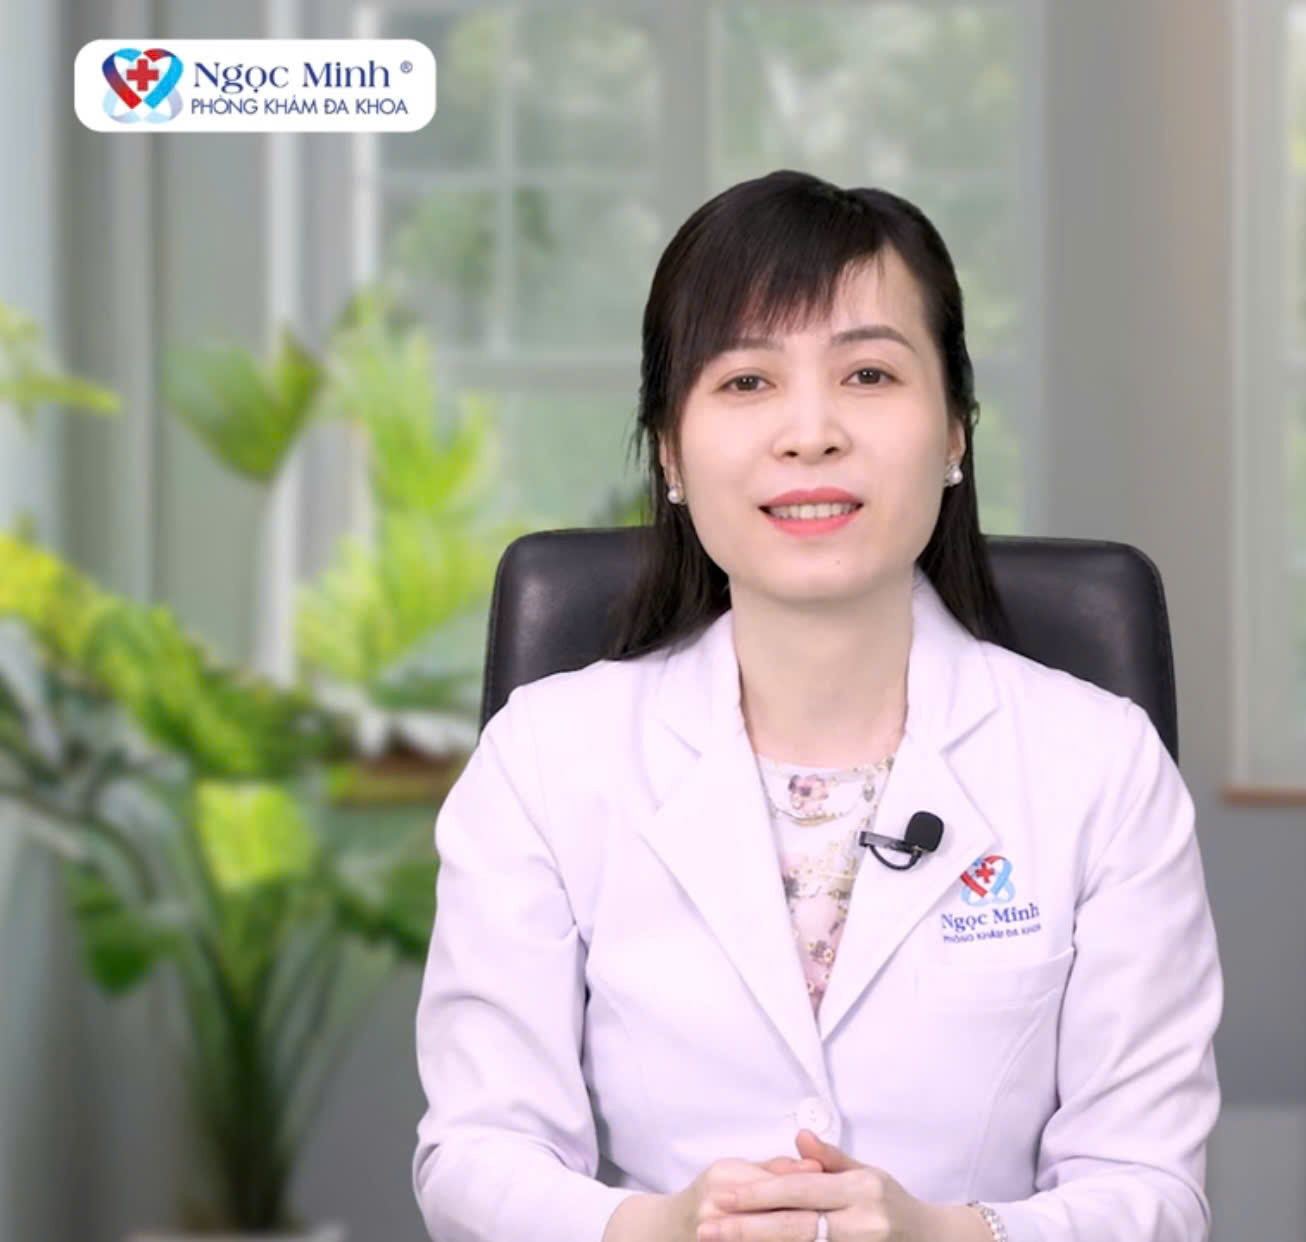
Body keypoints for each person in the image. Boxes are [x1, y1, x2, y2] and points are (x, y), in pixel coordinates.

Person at [410, 170, 1223, 1242]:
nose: (810, 433)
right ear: (669, 450)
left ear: (956, 432)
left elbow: (1151, 1188)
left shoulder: (1099, 764)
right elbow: (476, 1154)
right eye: (746, 381)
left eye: (869, 374)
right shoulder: (547, 758)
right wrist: (658, 1229)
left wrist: (944, 1236)